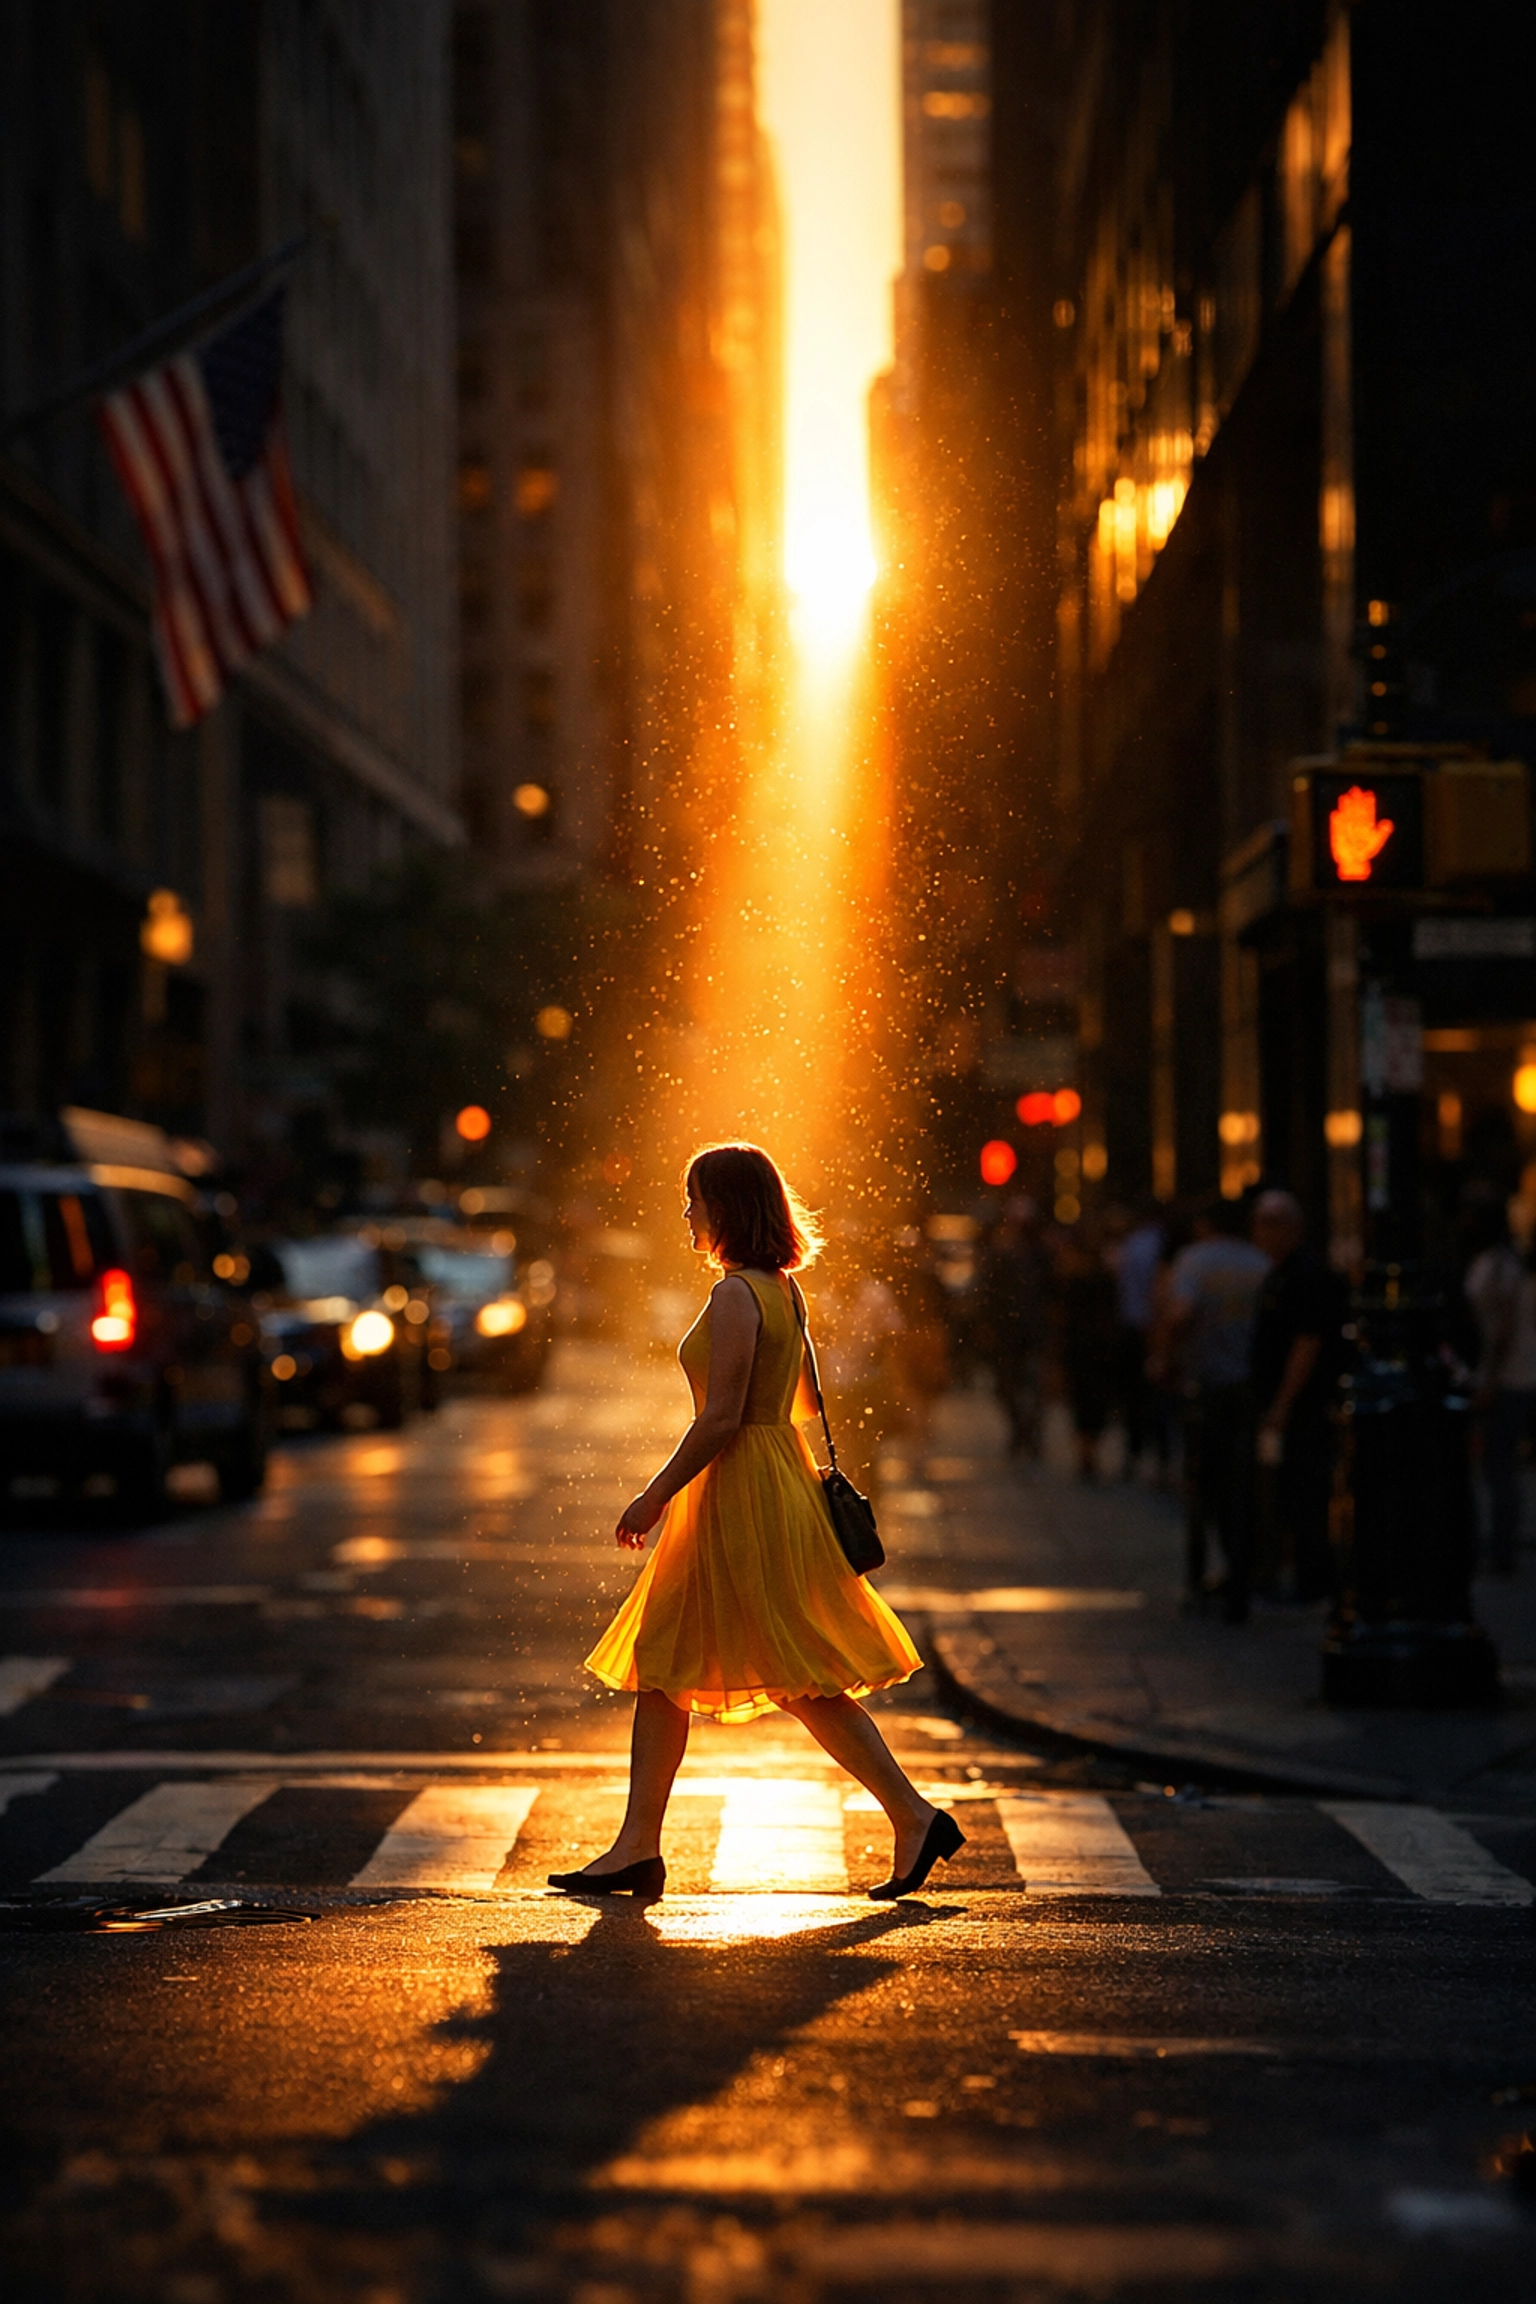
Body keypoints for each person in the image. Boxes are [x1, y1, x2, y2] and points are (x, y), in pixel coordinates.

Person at [550, 1142, 965, 1901]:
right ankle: (637, 1844)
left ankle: (910, 1814)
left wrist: (655, 1493)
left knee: (785, 1672)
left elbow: (721, 1419)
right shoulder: (783, 1291)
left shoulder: (735, 1296)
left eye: (694, 1200)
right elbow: (798, 1402)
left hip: (737, 1489)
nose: (686, 1213)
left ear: (727, 1209)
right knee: (680, 1665)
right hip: (775, 1480)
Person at [1165, 1195, 1270, 1621]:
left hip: (1206, 1385)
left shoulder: (1193, 1261)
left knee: (1199, 1485)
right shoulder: (1260, 1264)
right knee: (1241, 1487)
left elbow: (1181, 1313)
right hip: (1248, 1388)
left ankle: (1195, 1579)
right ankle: (1239, 1581)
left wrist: (1167, 1354)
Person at [1249, 1191, 1346, 1602]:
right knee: (1289, 1489)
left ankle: (1312, 1576)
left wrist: (1284, 1403)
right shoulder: (1279, 1272)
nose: (1262, 1234)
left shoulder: (1305, 1274)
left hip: (1304, 1406)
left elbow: (1308, 1341)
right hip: (1285, 1401)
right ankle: (1296, 1571)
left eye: (1270, 1225)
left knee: (1305, 1490)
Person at [1464, 1208, 1536, 1576]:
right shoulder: (1496, 1264)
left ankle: (1501, 1545)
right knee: (1496, 1463)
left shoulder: (1502, 1267)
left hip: (1509, 1377)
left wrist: (1490, 1377)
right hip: (1504, 1374)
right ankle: (1498, 1544)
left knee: (1498, 1463)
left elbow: (1505, 1327)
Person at [976, 1195, 1049, 1456]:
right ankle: (1021, 1430)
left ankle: (1030, 1434)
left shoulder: (1042, 1254)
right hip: (1006, 1331)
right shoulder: (1000, 1252)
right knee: (1005, 1386)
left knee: (1034, 1386)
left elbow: (1053, 1293)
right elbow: (987, 1292)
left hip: (1033, 1330)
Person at [1105, 1200, 1165, 1480]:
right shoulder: (1164, 1246)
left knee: (1133, 1396)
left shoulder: (1130, 1246)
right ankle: (1162, 1461)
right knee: (1159, 1397)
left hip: (1132, 1327)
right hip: (1158, 1330)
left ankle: (1133, 1455)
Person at [1058, 1228, 1122, 1482]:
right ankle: (1089, 1451)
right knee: (1096, 1402)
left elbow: (1064, 1319)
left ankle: (1086, 1452)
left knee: (1082, 1402)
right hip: (1100, 1350)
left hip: (1081, 1350)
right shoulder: (1107, 1280)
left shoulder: (1074, 1282)